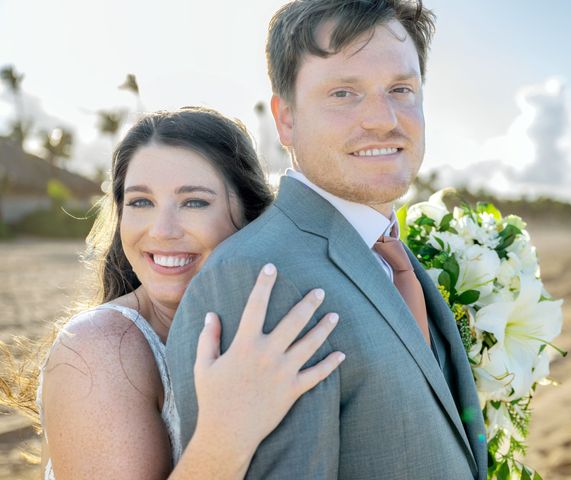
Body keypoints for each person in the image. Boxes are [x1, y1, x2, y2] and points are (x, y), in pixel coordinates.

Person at [167, 1, 488, 479]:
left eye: (401, 89)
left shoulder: (390, 253)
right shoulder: (258, 279)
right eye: (343, 93)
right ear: (286, 120)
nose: (384, 120)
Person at [34, 107, 345, 479]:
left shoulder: (270, 330)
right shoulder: (96, 347)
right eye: (140, 202)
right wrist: (230, 431)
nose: (162, 230)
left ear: (250, 215)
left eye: (194, 202)